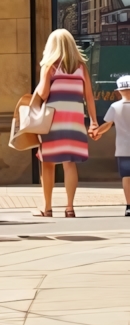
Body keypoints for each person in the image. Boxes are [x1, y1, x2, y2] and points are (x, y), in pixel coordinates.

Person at [33, 28, 98, 218]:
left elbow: (43, 93)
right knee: (70, 163)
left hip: (53, 121)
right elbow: (89, 97)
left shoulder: (50, 66)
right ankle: (69, 208)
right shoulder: (81, 67)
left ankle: (47, 208)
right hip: (75, 121)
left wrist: (42, 80)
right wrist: (93, 121)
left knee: (48, 163)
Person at [89, 74, 130, 217]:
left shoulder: (115, 106)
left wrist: (97, 132)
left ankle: (129, 206)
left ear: (118, 91)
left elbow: (108, 124)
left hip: (122, 149)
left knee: (126, 177)